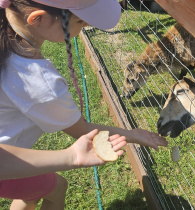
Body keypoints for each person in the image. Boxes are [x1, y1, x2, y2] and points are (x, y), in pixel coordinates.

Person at [0, 0, 168, 209]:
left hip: (7, 158)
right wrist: (133, 134)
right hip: (7, 167)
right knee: (57, 188)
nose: (85, 27)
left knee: (32, 194)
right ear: (37, 19)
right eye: (80, 21)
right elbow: (83, 130)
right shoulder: (39, 84)